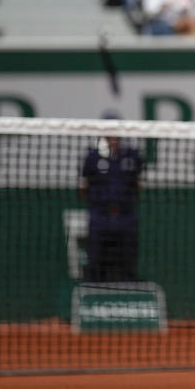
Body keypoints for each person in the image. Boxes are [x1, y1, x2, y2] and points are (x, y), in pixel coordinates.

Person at [79, 111, 144, 282]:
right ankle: (94, 289)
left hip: (126, 216)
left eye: (116, 130)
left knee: (127, 257)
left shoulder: (132, 156)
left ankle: (129, 291)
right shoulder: (93, 157)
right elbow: (84, 187)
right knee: (97, 258)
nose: (113, 135)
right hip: (100, 216)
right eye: (108, 130)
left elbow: (138, 184)